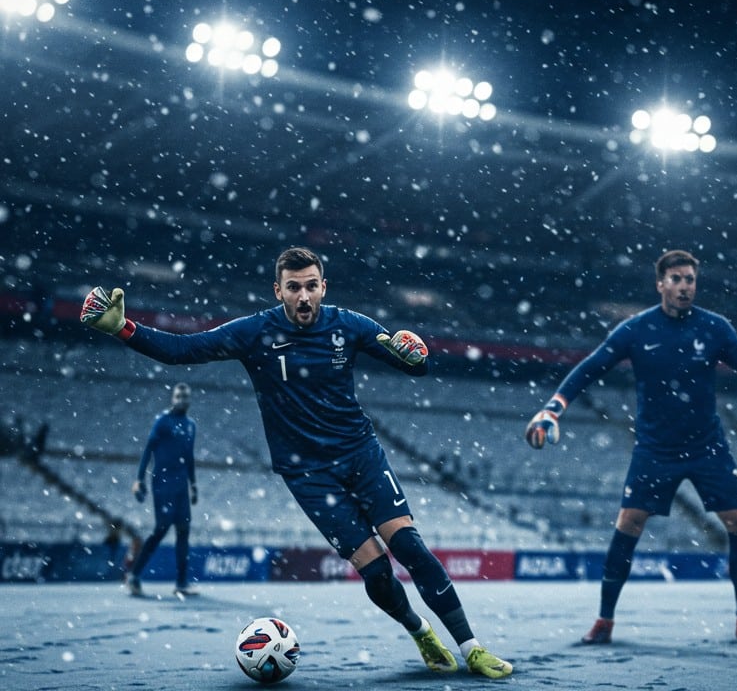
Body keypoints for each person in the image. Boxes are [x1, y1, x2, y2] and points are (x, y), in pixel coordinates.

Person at [80, 246, 511, 679]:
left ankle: (471, 647)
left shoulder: (349, 325)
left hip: (360, 454)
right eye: (293, 288)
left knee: (409, 547)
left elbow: (411, 363)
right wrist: (123, 328)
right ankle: (419, 631)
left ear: (323, 287)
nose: (303, 297)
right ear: (278, 290)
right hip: (307, 475)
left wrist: (414, 353)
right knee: (377, 572)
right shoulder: (255, 332)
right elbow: (183, 350)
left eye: (310, 286)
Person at [524, 249, 737, 646]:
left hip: (708, 446)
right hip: (655, 450)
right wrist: (552, 409)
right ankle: (604, 622)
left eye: (689, 279)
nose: (683, 287)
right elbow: (590, 367)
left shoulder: (716, 328)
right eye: (675, 279)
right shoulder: (636, 330)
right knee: (629, 524)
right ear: (660, 284)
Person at [125, 383, 199, 597]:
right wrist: (139, 479)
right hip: (163, 484)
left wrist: (193, 485)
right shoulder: (163, 422)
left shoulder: (191, 425)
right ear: (172, 399)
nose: (182, 400)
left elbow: (189, 457)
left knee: (184, 531)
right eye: (178, 396)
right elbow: (149, 450)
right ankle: (134, 576)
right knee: (161, 530)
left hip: (181, 486)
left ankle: (181, 583)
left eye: (185, 397)